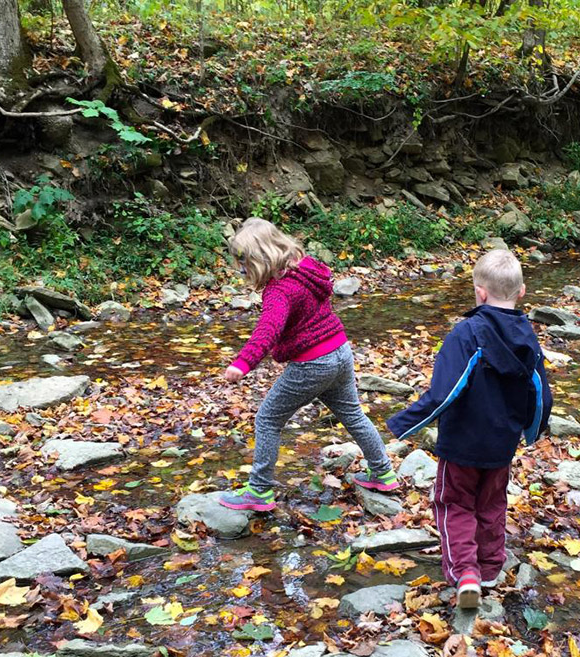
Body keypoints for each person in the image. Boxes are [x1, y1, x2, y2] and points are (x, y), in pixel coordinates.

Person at [387, 249, 552, 608]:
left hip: (461, 443)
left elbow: (445, 391)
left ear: (479, 292)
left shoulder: (467, 333)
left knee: (453, 503)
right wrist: (532, 430)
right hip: (501, 445)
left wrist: (404, 423)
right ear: (521, 291)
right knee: (492, 502)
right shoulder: (528, 336)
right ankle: (491, 567)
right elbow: (539, 391)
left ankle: (466, 574)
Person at [219, 217, 398, 512]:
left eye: (245, 264)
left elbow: (269, 329)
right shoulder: (307, 268)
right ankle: (383, 473)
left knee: (267, 419)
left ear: (262, 258)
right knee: (353, 414)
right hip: (340, 351)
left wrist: (243, 362)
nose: (241, 270)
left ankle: (259, 491)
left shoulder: (279, 291)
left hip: (313, 364)